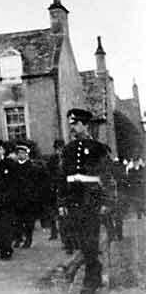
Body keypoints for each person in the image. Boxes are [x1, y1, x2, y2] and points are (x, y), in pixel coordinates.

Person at [57, 108, 112, 294]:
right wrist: (62, 202)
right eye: (72, 124)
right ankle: (90, 273)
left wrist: (106, 202)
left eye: (76, 124)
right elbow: (62, 177)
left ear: (86, 125)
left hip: (92, 199)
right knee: (80, 240)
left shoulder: (98, 148)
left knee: (91, 241)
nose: (73, 127)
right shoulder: (68, 149)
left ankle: (91, 280)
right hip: (73, 199)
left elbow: (106, 176)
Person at [12, 142, 42, 249]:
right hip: (17, 197)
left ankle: (28, 239)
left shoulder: (32, 167)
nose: (21, 155)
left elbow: (36, 183)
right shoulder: (14, 167)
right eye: (19, 153)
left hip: (29, 198)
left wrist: (34, 196)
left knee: (29, 220)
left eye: (23, 153)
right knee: (18, 220)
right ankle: (18, 238)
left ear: (27, 154)